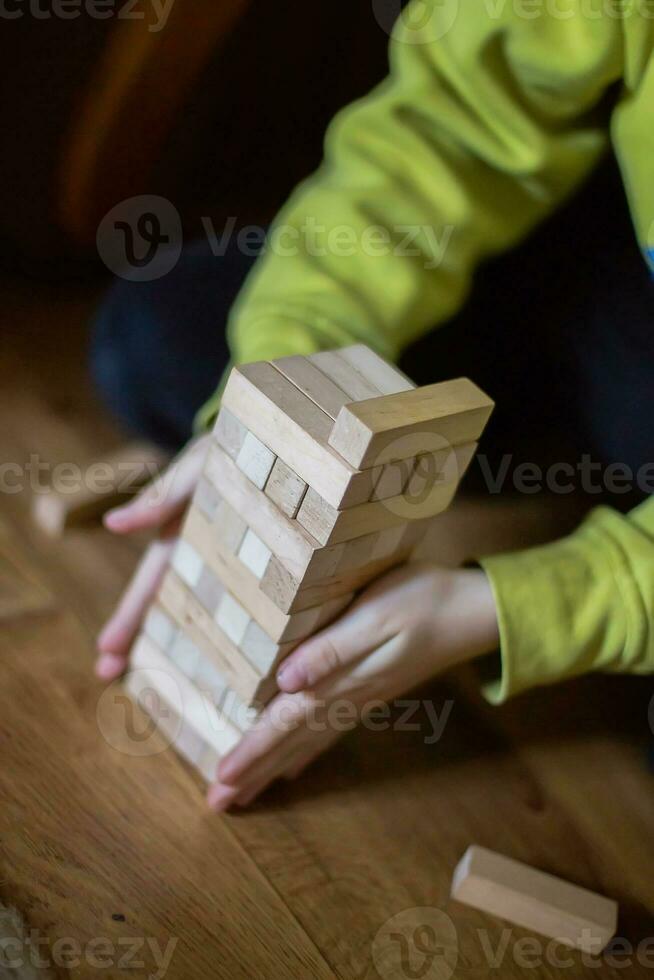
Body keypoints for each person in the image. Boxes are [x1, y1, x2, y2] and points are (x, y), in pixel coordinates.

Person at [92, 1, 654, 811]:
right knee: (156, 344)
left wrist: (516, 606)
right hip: (608, 259)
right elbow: (444, 132)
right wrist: (276, 396)